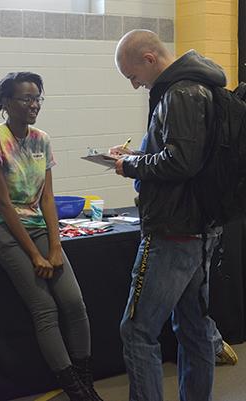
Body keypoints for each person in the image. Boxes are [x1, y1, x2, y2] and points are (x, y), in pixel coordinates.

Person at [110, 29, 230, 401]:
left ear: (149, 60)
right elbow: (182, 152)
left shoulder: (180, 93)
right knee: (193, 327)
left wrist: (130, 164)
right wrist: (137, 155)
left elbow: (181, 161)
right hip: (200, 227)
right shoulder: (203, 88)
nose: (134, 86)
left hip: (173, 230)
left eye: (132, 76)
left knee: (137, 330)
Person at [0, 71, 104, 401]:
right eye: (26, 99)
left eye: (37, 98)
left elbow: (48, 198)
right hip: (1, 228)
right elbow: (3, 203)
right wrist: (34, 256)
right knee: (44, 306)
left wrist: (55, 245)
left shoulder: (41, 139)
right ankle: (74, 390)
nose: (34, 105)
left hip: (38, 226)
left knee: (74, 302)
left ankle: (86, 382)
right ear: (6, 103)